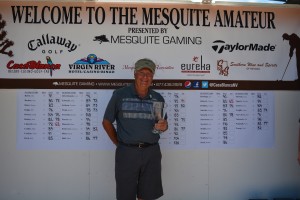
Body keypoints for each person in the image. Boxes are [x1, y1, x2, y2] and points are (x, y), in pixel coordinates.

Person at [102, 58, 168, 200]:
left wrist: (164, 126)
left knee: (148, 195)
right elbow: (106, 121)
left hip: (152, 152)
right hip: (127, 153)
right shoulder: (120, 95)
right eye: (141, 73)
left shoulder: (158, 98)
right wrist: (118, 143)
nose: (145, 77)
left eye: (149, 74)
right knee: (126, 195)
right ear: (135, 74)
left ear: (153, 77)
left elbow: (161, 124)